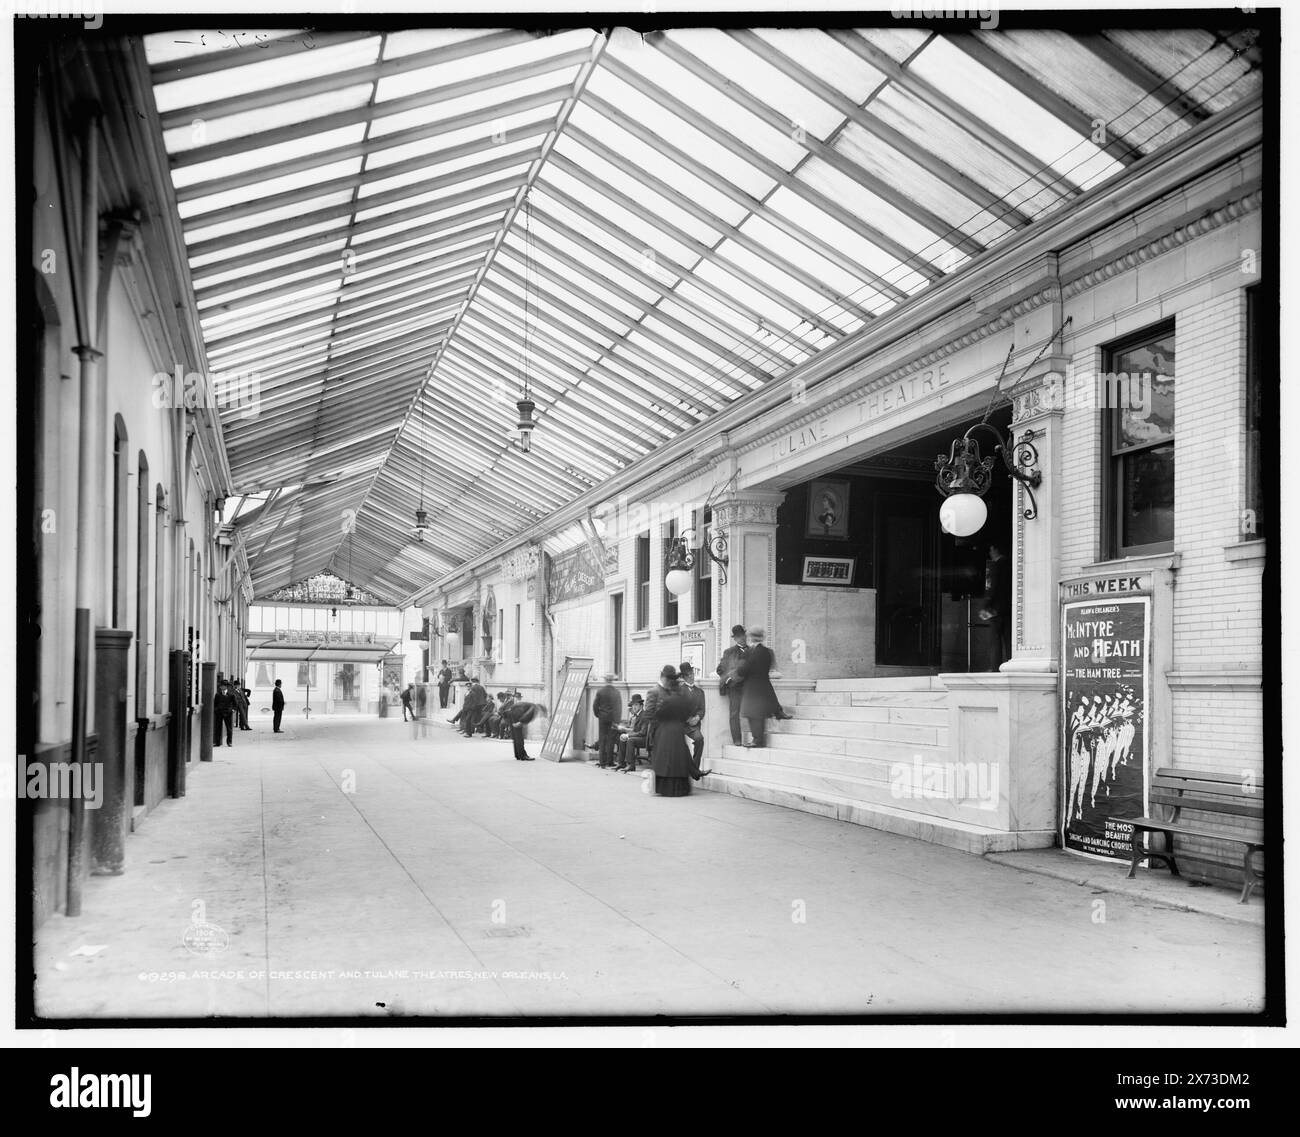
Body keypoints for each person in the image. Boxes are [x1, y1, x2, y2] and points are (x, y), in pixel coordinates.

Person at [649, 682, 712, 797]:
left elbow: (658, 714)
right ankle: (695, 773)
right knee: (682, 755)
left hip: (666, 731)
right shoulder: (681, 699)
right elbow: (686, 713)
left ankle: (693, 773)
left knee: (670, 758)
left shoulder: (667, 699)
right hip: (677, 730)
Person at [736, 627, 788, 749]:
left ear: (751, 637)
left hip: (751, 687)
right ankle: (758, 738)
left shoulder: (749, 652)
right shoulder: (767, 651)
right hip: (763, 685)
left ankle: (757, 740)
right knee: (758, 714)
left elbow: (742, 670)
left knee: (752, 714)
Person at [978, 542, 1012, 671]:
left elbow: (992, 588)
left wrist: (985, 605)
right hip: (1008, 608)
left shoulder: (995, 566)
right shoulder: (1011, 565)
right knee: (1008, 640)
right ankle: (1010, 664)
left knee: (995, 641)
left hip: (995, 609)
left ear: (996, 550)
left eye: (991, 550)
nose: (990, 553)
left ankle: (995, 667)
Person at [716, 624, 749, 745]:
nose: (742, 638)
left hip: (749, 687)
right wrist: (729, 678)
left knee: (754, 711)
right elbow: (720, 670)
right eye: (739, 636)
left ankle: (754, 738)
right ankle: (737, 740)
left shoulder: (752, 651)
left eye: (743, 635)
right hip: (735, 688)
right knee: (734, 714)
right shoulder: (729, 652)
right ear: (735, 638)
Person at [678, 661, 706, 764]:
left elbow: (702, 709)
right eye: (688, 675)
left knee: (699, 739)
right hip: (680, 724)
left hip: (694, 725)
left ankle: (695, 766)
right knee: (679, 745)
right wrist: (688, 719)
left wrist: (697, 718)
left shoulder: (700, 692)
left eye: (692, 673)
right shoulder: (679, 691)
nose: (691, 676)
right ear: (684, 677)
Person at [593, 672, 623, 769]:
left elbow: (595, 705)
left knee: (602, 739)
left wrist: (598, 714)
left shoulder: (600, 691)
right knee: (611, 739)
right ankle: (610, 761)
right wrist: (617, 721)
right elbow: (619, 707)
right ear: (612, 680)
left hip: (602, 718)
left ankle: (602, 762)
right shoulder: (616, 692)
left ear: (605, 680)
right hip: (613, 719)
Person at [614, 694, 645, 771]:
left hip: (645, 739)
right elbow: (633, 729)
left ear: (641, 706)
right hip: (638, 736)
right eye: (633, 705)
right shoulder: (636, 715)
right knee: (623, 738)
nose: (634, 707)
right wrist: (626, 734)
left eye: (636, 705)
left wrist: (628, 735)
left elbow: (642, 733)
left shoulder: (644, 715)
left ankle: (631, 765)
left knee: (630, 740)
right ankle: (621, 763)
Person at [213, 682, 235, 748]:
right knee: (218, 728)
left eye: (222, 686)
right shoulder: (217, 695)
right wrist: (216, 710)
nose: (221, 687)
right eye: (220, 686)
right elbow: (215, 703)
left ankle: (229, 742)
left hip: (228, 713)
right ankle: (218, 742)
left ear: (226, 687)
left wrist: (232, 709)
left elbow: (235, 704)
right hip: (219, 713)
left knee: (229, 728)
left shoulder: (231, 695)